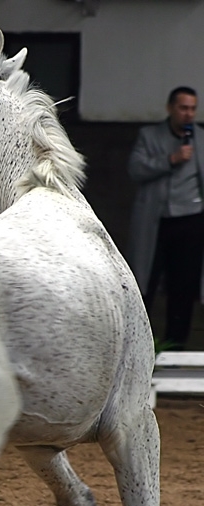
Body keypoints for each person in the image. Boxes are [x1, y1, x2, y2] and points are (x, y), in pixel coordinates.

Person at [127, 86, 204, 349]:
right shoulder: (150, 136)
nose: (188, 114)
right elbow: (135, 169)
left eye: (193, 109)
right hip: (157, 220)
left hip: (191, 219)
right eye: (183, 108)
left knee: (182, 287)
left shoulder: (200, 138)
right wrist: (170, 159)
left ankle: (176, 345)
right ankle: (141, 344)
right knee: (145, 282)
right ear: (170, 108)